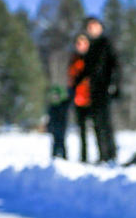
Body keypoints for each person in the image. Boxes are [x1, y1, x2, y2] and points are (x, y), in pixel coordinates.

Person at [76, 16, 120, 163]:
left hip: (105, 89)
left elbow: (116, 65)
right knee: (97, 124)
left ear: (100, 27)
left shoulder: (106, 43)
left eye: (94, 26)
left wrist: (115, 85)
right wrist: (76, 83)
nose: (91, 29)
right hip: (93, 91)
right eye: (89, 27)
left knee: (106, 123)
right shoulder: (91, 47)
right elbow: (87, 70)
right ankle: (103, 155)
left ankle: (111, 155)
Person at [67, 34, 93, 162]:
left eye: (83, 43)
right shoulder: (74, 59)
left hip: (92, 98)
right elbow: (71, 78)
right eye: (78, 43)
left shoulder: (92, 58)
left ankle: (105, 156)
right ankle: (84, 157)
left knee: (99, 129)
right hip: (79, 99)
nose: (80, 46)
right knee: (81, 130)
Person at [46, 85, 69, 159]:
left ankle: (64, 158)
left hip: (62, 126)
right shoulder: (52, 106)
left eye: (57, 95)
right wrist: (49, 126)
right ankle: (54, 157)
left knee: (61, 142)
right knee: (55, 142)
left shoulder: (63, 105)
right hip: (54, 127)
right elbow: (50, 118)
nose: (55, 97)